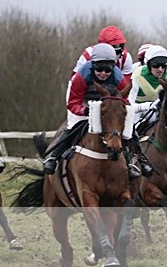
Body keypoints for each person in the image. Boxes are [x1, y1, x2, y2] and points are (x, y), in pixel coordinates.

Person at [42, 43, 132, 175]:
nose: (103, 73)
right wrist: (84, 111)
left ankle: (132, 163)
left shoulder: (119, 79)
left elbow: (124, 100)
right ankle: (53, 157)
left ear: (113, 67)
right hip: (84, 102)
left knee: (128, 128)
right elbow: (73, 102)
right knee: (73, 127)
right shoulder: (81, 76)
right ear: (92, 65)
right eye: (99, 69)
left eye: (107, 70)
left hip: (107, 105)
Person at [128, 44, 167, 175]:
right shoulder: (136, 76)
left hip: (158, 113)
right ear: (148, 64)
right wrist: (148, 106)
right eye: (156, 66)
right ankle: (131, 162)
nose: (160, 69)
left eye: (164, 66)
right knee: (128, 131)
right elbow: (128, 105)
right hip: (137, 112)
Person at [70, 26, 134, 85]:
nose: (116, 55)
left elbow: (125, 87)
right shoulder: (88, 55)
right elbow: (73, 83)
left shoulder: (126, 58)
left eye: (118, 51)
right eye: (112, 51)